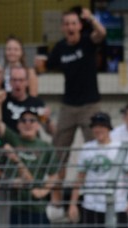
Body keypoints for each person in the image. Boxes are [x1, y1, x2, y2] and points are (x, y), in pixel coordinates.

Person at [38, 8, 106, 191]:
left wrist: (91, 18)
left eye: (73, 23)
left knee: (95, 148)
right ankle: (56, 200)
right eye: (67, 24)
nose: (70, 27)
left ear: (79, 26)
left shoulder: (87, 42)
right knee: (58, 152)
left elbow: (101, 33)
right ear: (62, 27)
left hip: (90, 105)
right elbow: (46, 66)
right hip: (68, 106)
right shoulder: (60, 48)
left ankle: (95, 191)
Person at [0, 94, 60, 228]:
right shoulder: (14, 139)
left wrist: (43, 192)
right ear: (19, 124)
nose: (28, 123)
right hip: (14, 207)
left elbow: (54, 175)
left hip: (37, 209)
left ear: (38, 125)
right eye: (24, 120)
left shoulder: (45, 147)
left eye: (32, 120)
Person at [68, 112, 128, 228]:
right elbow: (79, 178)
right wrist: (73, 203)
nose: (98, 130)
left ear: (108, 128)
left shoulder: (121, 148)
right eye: (95, 127)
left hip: (117, 205)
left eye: (101, 126)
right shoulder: (87, 149)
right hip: (91, 205)